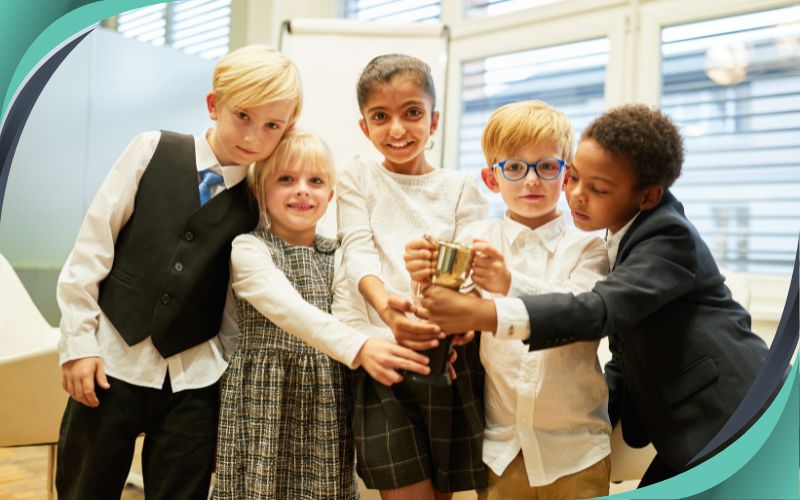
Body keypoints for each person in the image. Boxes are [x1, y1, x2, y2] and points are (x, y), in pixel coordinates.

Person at [419, 103, 769, 487]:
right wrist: (596, 407)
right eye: (575, 179)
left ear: (648, 196)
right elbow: (624, 345)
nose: (577, 196)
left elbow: (598, 310)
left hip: (737, 415)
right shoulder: (618, 234)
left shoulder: (668, 237)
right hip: (552, 440)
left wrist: (484, 312)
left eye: (598, 188)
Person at [55, 45, 301, 500]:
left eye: (272, 125)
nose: (254, 135)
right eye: (243, 115)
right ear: (214, 105)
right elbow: (91, 249)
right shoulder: (151, 150)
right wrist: (77, 344)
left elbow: (235, 304)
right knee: (83, 488)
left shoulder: (258, 206)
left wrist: (226, 375)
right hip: (109, 361)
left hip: (195, 381)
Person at [406, 99, 612, 499]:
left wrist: (507, 282)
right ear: (491, 178)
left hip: (577, 450)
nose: (531, 181)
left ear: (567, 175)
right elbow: (445, 310)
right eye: (515, 167)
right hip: (502, 449)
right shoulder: (474, 239)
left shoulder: (589, 248)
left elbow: (578, 315)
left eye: (546, 167)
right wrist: (423, 276)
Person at [212, 129, 430, 499]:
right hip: (261, 398)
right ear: (260, 190)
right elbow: (290, 309)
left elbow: (351, 319)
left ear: (330, 196)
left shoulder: (341, 253)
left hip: (326, 398)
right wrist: (361, 347)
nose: (302, 190)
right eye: (286, 179)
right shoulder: (248, 248)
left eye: (315, 181)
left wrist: (417, 343)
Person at [334, 53, 489, 498]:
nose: (397, 130)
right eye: (380, 117)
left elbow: (470, 269)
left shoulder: (460, 188)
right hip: (382, 357)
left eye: (412, 113)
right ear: (364, 126)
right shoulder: (358, 177)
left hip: (448, 361)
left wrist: (456, 319)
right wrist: (387, 307)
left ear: (434, 121)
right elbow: (356, 249)